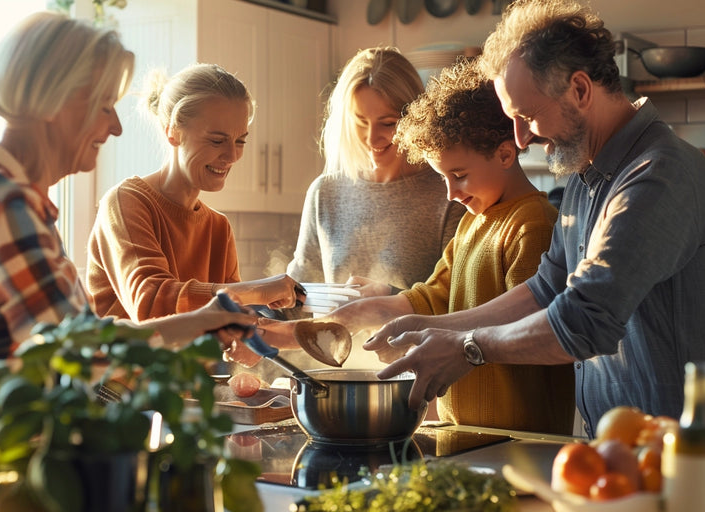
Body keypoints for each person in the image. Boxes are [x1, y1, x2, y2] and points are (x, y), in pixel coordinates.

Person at [0, 13, 258, 512]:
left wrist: (204, 323)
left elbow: (61, 345)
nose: (115, 127)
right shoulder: (4, 203)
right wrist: (203, 322)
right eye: (103, 107)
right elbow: (82, 355)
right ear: (57, 102)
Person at [366, 0, 705, 445]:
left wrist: (468, 348)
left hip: (689, 459)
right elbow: (546, 289)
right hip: (619, 455)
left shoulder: (656, 177)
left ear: (580, 90)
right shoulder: (586, 177)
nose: (521, 139)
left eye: (527, 117)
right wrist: (437, 329)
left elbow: (585, 320)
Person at [322, 59, 574, 433]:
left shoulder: (532, 223)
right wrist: (364, 312)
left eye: (458, 176)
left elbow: (529, 329)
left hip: (520, 435)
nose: (451, 193)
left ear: (505, 155)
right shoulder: (474, 221)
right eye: (443, 178)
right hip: (464, 430)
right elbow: (433, 295)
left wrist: (431, 333)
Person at [86, 63, 304, 321]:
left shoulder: (218, 228)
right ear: (173, 132)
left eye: (240, 141)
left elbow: (231, 322)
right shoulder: (126, 203)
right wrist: (255, 290)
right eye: (217, 140)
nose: (232, 155)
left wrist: (257, 334)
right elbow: (151, 302)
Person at [285, 47, 465, 298]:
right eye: (360, 121)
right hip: (332, 339)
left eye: (388, 123)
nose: (371, 138)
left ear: (416, 117)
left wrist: (387, 299)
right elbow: (300, 296)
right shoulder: (325, 192)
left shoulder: (449, 193)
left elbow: (458, 304)